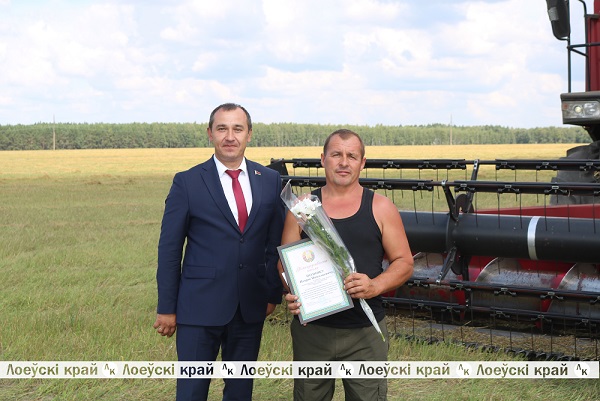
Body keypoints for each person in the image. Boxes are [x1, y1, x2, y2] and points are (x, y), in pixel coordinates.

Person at [154, 103, 285, 401]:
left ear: (249, 134)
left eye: (237, 129)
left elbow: (273, 243)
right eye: (222, 128)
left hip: (249, 308)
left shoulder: (269, 180)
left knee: (240, 392)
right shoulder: (187, 182)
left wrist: (271, 294)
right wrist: (167, 307)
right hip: (198, 309)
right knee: (191, 392)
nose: (230, 136)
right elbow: (170, 250)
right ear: (210, 133)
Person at [282, 129, 414, 401]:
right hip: (312, 333)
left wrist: (374, 285)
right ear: (323, 159)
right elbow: (284, 264)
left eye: (352, 156)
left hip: (364, 333)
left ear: (362, 162)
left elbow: (404, 262)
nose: (344, 162)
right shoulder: (302, 209)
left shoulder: (380, 207)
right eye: (336, 155)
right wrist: (292, 292)